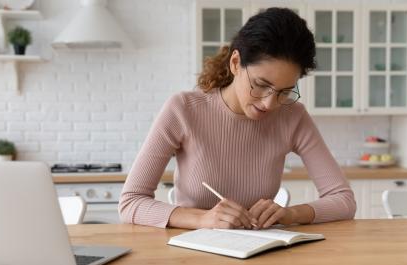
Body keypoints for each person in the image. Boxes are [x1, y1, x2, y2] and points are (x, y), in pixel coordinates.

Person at [119, 7, 356, 229]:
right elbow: (131, 202)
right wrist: (203, 218)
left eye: (285, 91)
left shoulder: (293, 117)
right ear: (235, 63)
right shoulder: (183, 110)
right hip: (192, 252)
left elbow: (343, 200)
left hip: (259, 252)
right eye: (261, 85)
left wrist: (291, 214)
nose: (269, 103)